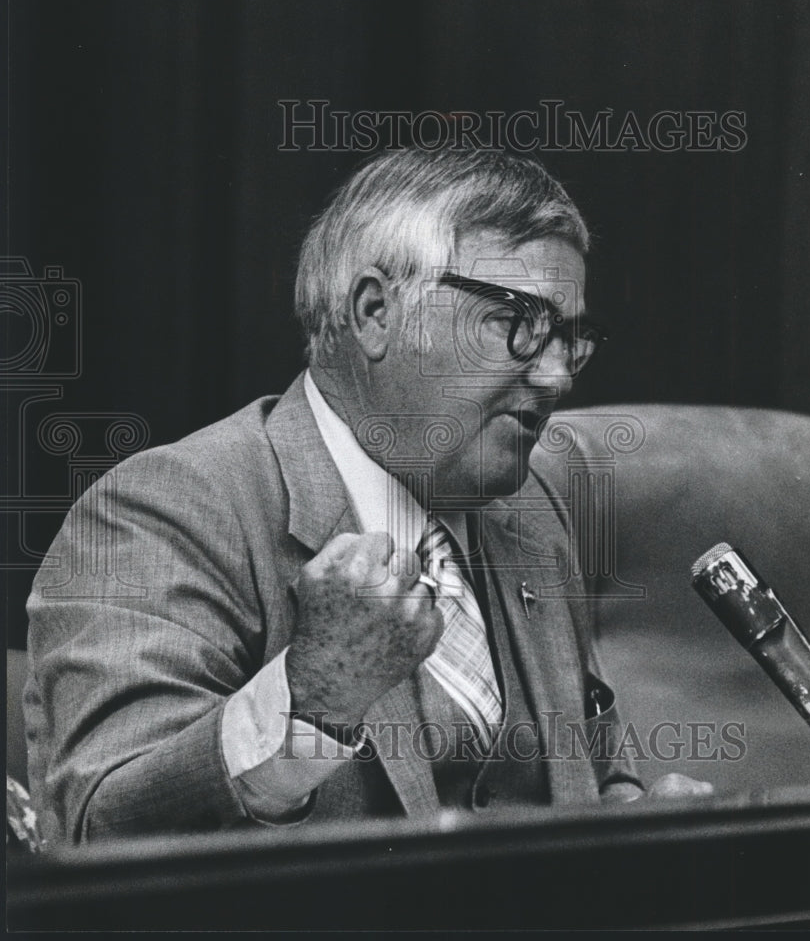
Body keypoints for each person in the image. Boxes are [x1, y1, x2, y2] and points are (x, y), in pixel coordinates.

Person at [24, 148, 710, 842]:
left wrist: (634, 823)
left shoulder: (532, 513)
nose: (558, 376)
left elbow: (591, 777)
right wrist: (312, 699)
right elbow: (96, 831)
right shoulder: (165, 509)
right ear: (377, 312)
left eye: (570, 337)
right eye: (520, 323)